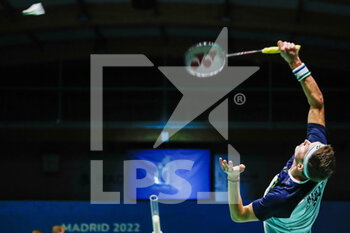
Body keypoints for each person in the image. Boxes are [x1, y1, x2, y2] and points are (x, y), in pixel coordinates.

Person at [219, 40, 336, 233]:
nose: (307, 141)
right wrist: (295, 62)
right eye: (312, 143)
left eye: (306, 147)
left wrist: (232, 178)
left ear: (300, 167)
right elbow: (317, 104)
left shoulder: (282, 197)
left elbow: (239, 215)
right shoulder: (317, 159)